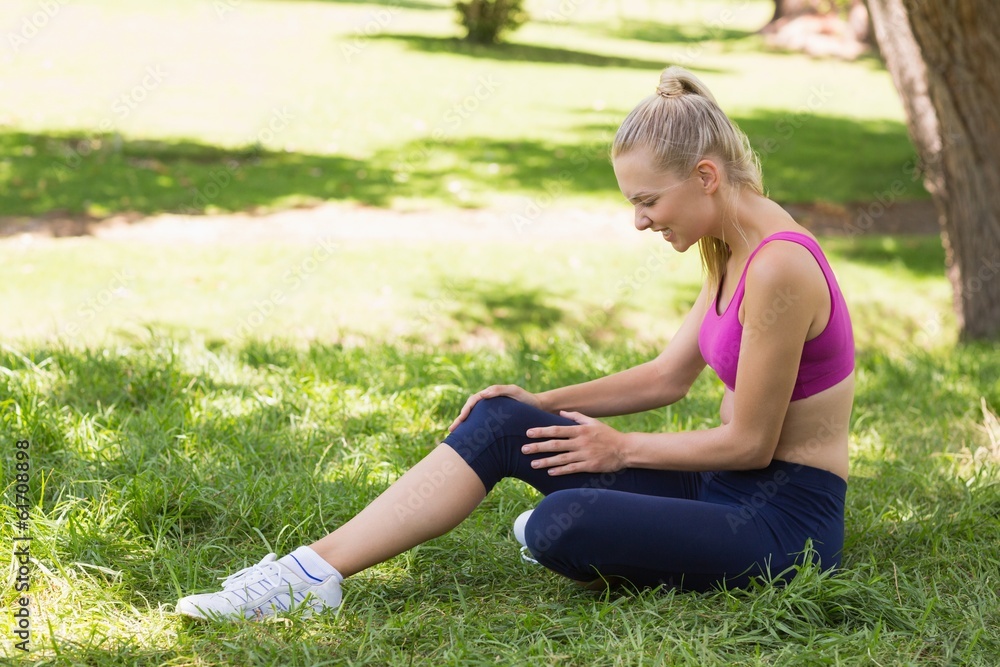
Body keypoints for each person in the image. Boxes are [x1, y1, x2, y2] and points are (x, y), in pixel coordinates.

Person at [176, 65, 855, 620]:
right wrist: (540, 401)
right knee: (501, 421)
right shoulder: (728, 246)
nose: (640, 221)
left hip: (783, 522)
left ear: (705, 176)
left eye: (647, 201)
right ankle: (309, 572)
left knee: (557, 525)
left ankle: (590, 535)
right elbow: (666, 377)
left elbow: (751, 444)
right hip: (718, 485)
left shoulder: (780, 266)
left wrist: (621, 447)